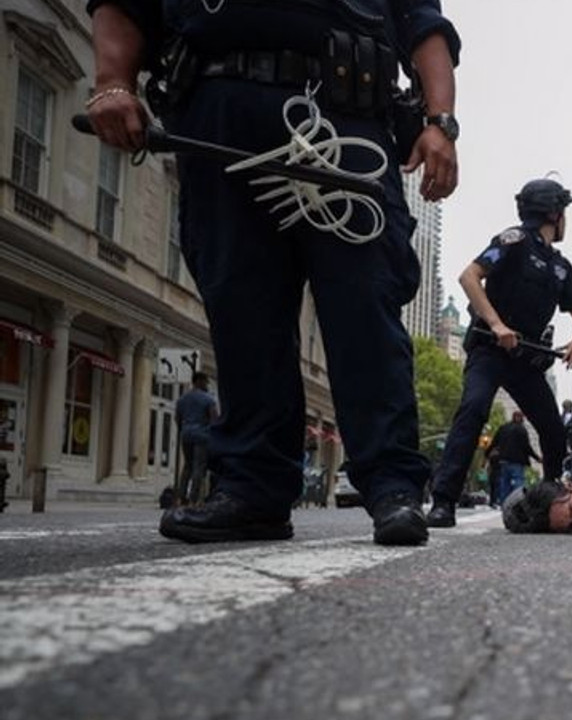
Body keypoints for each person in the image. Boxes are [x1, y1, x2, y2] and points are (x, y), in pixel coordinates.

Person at [86, 0, 461, 545]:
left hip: (344, 111)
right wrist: (111, 81)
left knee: (365, 308)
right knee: (242, 308)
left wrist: (439, 121)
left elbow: (423, 21)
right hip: (218, 107)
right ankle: (253, 489)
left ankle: (394, 486)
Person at [426, 178, 572, 527]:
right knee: (473, 410)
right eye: (564, 212)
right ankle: (443, 502)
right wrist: (497, 324)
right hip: (490, 350)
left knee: (552, 429)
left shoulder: (561, 266)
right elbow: (470, 276)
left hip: (527, 361)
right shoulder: (513, 241)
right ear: (553, 212)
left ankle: (550, 502)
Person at [174, 372, 219, 505]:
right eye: (206, 382)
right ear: (199, 381)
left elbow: (177, 418)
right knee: (198, 467)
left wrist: (184, 429)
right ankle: (193, 499)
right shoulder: (208, 399)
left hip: (186, 435)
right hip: (202, 436)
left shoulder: (182, 399)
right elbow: (214, 419)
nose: (207, 385)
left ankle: (181, 497)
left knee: (187, 466)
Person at [488, 410, 540, 505]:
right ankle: (518, 503)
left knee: (504, 483)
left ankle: (504, 503)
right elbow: (527, 447)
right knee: (518, 481)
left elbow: (494, 442)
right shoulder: (521, 430)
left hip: (504, 460)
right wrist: (537, 458)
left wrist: (487, 453)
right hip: (517, 461)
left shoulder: (503, 428)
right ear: (519, 418)